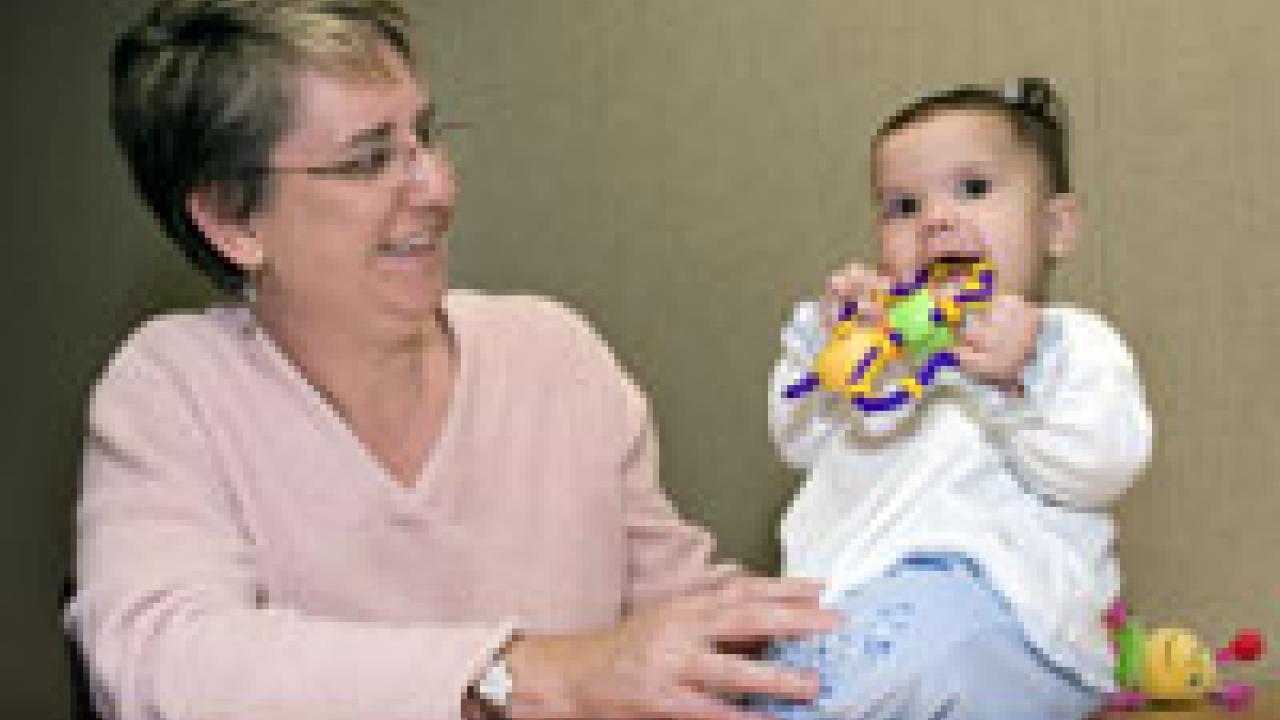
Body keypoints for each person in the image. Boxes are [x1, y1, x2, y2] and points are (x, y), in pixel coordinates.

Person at [65, 1, 838, 718]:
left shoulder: (554, 353)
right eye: (370, 160)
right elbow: (160, 661)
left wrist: (915, 492)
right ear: (233, 221)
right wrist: (534, 673)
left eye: (424, 137)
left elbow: (682, 615)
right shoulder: (172, 387)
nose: (437, 185)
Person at [756, 79, 1153, 719]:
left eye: (973, 189)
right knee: (766, 672)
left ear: (1056, 227)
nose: (935, 219)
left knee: (930, 658)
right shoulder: (886, 352)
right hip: (847, 612)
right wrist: (826, 349)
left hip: (1013, 621)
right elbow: (796, 438)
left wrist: (1024, 380)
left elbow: (1103, 466)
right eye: (904, 205)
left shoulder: (1071, 343)